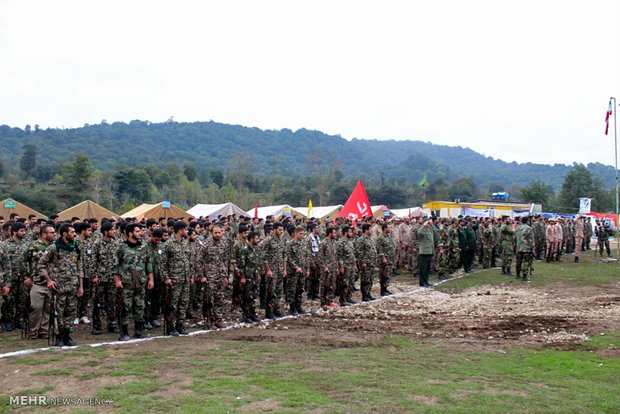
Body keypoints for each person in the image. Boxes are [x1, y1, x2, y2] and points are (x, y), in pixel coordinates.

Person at [37, 223, 84, 346]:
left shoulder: (76, 247)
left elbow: (80, 267)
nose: (75, 234)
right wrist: (48, 280)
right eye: (72, 232)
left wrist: (80, 286)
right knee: (59, 312)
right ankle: (59, 335)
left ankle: (67, 335)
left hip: (73, 286)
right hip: (59, 287)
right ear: (64, 233)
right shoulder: (54, 248)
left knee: (71, 311)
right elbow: (41, 265)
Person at [112, 223, 154, 340]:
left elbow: (148, 264)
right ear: (130, 233)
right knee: (125, 308)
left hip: (140, 283)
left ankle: (139, 330)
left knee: (140, 307)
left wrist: (150, 279)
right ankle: (124, 332)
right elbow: (115, 266)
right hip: (126, 283)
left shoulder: (144, 247)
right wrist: (117, 281)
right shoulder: (122, 248)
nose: (140, 233)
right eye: (137, 231)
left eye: (140, 231)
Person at [21, 224, 56, 339]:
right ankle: (33, 331)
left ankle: (44, 331)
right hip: (36, 282)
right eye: (52, 232)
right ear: (44, 234)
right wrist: (26, 276)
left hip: (51, 282)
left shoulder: (55, 247)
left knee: (47, 309)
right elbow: (23, 261)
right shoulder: (33, 246)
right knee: (36, 308)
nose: (54, 234)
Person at [160, 221, 192, 335]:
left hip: (185, 279)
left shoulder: (185, 243)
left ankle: (180, 324)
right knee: (173, 304)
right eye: (185, 230)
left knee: (183, 303)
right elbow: (162, 264)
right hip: (174, 279)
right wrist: (166, 278)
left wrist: (191, 275)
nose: (187, 232)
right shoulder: (168, 244)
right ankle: (170, 326)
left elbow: (189, 261)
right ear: (180, 230)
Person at [284, 226, 308, 315]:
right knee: (292, 289)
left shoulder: (303, 244)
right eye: (300, 234)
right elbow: (288, 258)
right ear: (295, 233)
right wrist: (296, 267)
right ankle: (292, 306)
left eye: (303, 234)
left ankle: (298, 305)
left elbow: (306, 257)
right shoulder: (290, 244)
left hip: (302, 271)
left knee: (300, 289)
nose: (302, 236)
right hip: (293, 272)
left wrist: (307, 269)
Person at [238, 231, 261, 323]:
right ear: (251, 239)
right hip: (247, 277)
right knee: (246, 296)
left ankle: (252, 313)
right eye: (256, 238)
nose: (258, 240)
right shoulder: (244, 250)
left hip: (254, 276)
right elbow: (241, 265)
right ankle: (246, 315)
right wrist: (243, 277)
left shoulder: (255, 249)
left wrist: (258, 275)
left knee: (253, 296)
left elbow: (256, 263)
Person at [418, 218, 442, 287]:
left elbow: (436, 230)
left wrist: (431, 224)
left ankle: (426, 281)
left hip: (429, 251)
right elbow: (419, 233)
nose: (430, 224)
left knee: (427, 268)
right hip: (424, 252)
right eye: (429, 223)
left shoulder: (430, 230)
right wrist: (424, 225)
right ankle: (422, 283)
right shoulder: (422, 229)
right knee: (423, 269)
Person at [376, 223, 395, 295]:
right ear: (384, 229)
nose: (390, 229)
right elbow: (379, 249)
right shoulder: (381, 237)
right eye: (389, 227)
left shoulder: (387, 236)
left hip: (389, 259)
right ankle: (383, 290)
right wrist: (383, 258)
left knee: (388, 274)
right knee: (383, 275)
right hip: (385, 260)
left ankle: (386, 288)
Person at [515, 217, 535, 281]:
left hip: (519, 247)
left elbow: (515, 237)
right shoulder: (529, 228)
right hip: (526, 247)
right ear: (527, 221)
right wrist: (532, 248)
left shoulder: (517, 228)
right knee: (526, 261)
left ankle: (518, 274)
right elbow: (531, 239)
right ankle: (524, 275)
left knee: (518, 261)